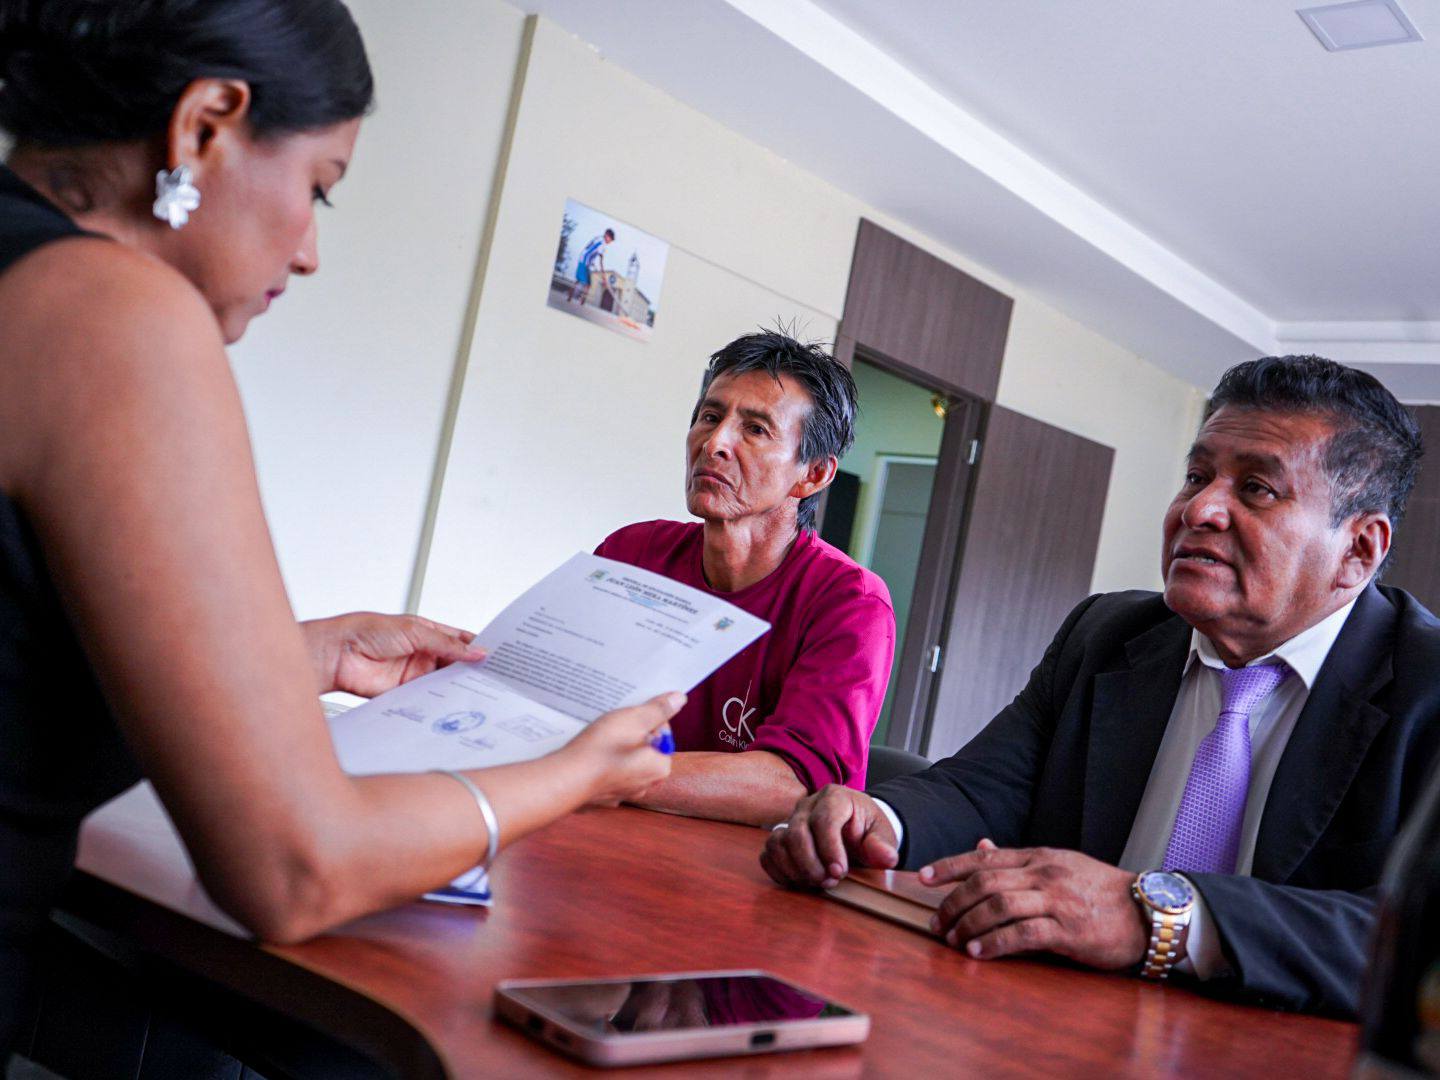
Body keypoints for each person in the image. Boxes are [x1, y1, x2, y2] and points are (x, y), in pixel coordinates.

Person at [0, 0, 679, 1056]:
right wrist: (576, 771)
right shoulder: (114, 314)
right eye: (319, 187)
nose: (312, 250)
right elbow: (295, 868)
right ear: (204, 124)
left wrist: (298, 653)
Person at [763, 355, 1440, 1018]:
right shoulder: (1107, 635)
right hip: (1057, 1023)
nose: (1201, 508)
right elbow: (981, 789)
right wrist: (874, 820)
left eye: (1257, 489)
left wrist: (1157, 917)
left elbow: (1420, 936)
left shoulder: (1425, 686)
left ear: (1359, 551)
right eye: (1197, 476)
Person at [596, 331, 896, 827]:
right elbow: (553, 691)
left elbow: (796, 785)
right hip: (608, 829)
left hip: (749, 864)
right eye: (709, 417)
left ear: (813, 474)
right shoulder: (633, 553)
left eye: (755, 429)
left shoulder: (850, 602)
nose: (715, 444)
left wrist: (592, 771)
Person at [569, 226, 614, 304]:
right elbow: (601, 261)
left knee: (583, 282)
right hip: (585, 261)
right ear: (607, 235)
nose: (610, 242)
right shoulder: (602, 244)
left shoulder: (597, 238)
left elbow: (589, 248)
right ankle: (579, 300)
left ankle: (576, 299)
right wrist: (604, 276)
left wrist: (591, 261)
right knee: (585, 283)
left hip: (584, 259)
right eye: (610, 239)